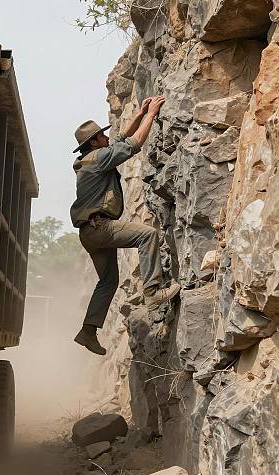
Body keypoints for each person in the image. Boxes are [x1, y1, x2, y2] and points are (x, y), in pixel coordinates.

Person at [70, 96, 180, 356]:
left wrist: (140, 114)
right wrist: (152, 113)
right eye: (102, 136)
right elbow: (133, 144)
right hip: (100, 228)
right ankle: (153, 292)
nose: (107, 138)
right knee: (148, 235)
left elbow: (120, 139)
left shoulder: (91, 159)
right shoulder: (98, 159)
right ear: (94, 142)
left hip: (88, 232)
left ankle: (88, 331)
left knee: (108, 281)